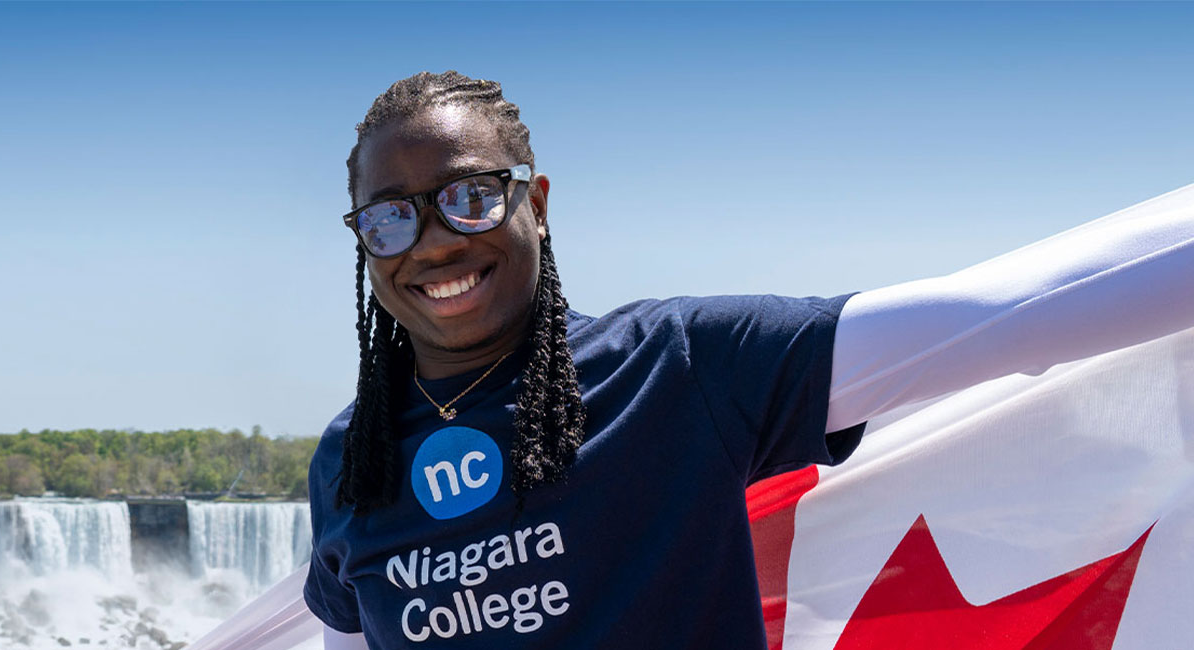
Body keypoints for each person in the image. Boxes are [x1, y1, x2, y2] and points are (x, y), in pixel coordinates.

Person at [300, 71, 1194, 649]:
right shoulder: (353, 460)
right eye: (390, 217)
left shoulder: (677, 367)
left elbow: (995, 319)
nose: (433, 243)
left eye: (468, 197)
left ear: (535, 200)